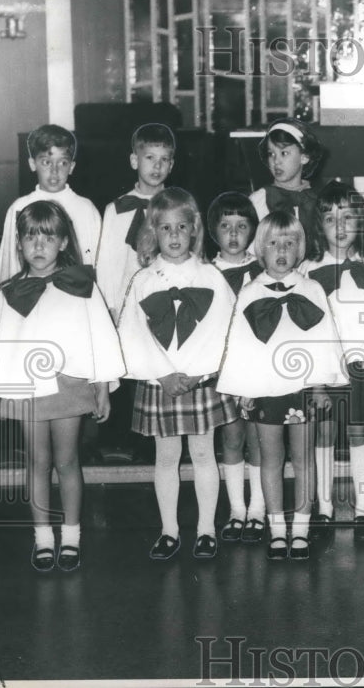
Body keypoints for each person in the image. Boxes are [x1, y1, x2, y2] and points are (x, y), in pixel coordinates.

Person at [0, 200, 125, 572]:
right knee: (37, 462)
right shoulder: (11, 292)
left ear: (64, 242)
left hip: (70, 386)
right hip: (26, 388)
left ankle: (71, 537)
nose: (39, 245)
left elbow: (100, 337)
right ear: (19, 244)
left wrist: (102, 385)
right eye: (30, 237)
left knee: (68, 461)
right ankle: (42, 537)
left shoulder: (80, 286)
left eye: (48, 237)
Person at [117, 187, 238, 561]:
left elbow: (223, 327)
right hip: (160, 383)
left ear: (194, 230)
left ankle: (205, 529)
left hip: (199, 381)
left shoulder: (211, 276)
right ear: (153, 231)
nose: (174, 236)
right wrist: (162, 375)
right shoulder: (143, 279)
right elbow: (132, 332)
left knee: (204, 454)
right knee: (166, 457)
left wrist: (196, 372)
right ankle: (169, 530)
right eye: (166, 228)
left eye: (181, 227)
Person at [217, 211, 345, 561]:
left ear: (299, 247)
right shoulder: (249, 292)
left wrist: (320, 387)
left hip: (302, 389)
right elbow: (239, 343)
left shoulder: (312, 289)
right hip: (264, 389)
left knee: (303, 460)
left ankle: (301, 531)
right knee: (270, 459)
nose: (282, 250)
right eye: (274, 243)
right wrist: (243, 387)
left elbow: (325, 338)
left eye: (289, 242)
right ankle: (276, 530)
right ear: (261, 249)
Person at [301, 182, 364, 543]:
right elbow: (305, 330)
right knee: (323, 434)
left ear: (360, 222)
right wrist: (314, 378)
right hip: (323, 369)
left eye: (347, 217)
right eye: (329, 218)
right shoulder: (307, 271)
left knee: (359, 433)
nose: (339, 226)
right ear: (318, 226)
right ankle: (323, 508)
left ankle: (363, 509)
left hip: (362, 367)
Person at [206, 192, 268, 544]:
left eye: (241, 227)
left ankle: (257, 510)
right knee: (231, 439)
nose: (233, 234)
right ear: (214, 232)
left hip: (258, 371)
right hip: (224, 372)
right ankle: (236, 511)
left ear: (253, 231)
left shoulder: (262, 270)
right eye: (226, 226)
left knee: (259, 440)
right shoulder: (207, 273)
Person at [0, 124, 102, 303]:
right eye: (46, 162)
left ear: (72, 167)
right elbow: (10, 261)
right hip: (28, 299)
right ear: (32, 164)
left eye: (63, 163)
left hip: (74, 300)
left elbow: (96, 263)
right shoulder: (20, 207)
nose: (54, 171)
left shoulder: (86, 209)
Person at [96, 123, 176, 317]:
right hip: (127, 306)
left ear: (171, 165)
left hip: (169, 302)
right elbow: (107, 266)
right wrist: (111, 308)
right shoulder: (116, 210)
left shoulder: (178, 207)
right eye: (150, 157)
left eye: (164, 159)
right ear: (134, 161)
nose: (157, 166)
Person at [249, 117, 326, 234]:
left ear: (304, 157)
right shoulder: (259, 201)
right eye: (271, 154)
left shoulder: (318, 200)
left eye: (284, 153)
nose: (276, 161)